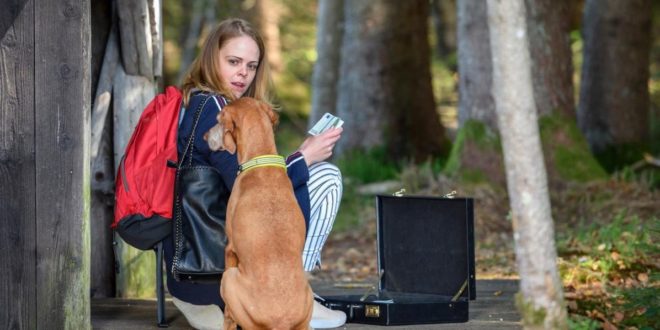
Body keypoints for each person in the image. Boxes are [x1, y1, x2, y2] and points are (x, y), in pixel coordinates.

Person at [162, 18, 346, 329]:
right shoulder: (214, 109)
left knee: (308, 171)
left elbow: (253, 180)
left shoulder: (204, 102)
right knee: (325, 176)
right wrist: (304, 157)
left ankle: (289, 290)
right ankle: (294, 291)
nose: (243, 73)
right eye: (233, 62)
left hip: (199, 264)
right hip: (210, 269)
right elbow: (252, 189)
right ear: (211, 57)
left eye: (251, 65)